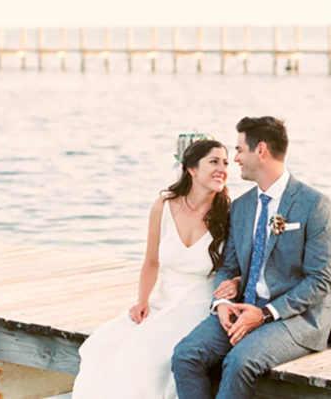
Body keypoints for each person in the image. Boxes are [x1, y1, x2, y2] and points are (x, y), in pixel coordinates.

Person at [171, 116, 331, 399]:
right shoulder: (242, 207)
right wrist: (223, 303)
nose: (235, 159)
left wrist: (264, 313)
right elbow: (229, 265)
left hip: (294, 317)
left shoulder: (315, 205)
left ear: (260, 150)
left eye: (239, 150)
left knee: (239, 362)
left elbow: (320, 280)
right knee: (185, 356)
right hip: (243, 307)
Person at [72, 139, 241, 399]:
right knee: (102, 344)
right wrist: (142, 300)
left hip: (198, 305)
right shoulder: (163, 206)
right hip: (163, 299)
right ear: (192, 169)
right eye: (214, 161)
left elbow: (241, 266)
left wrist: (237, 283)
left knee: (142, 351)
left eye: (226, 163)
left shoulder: (229, 214)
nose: (222, 168)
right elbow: (151, 261)